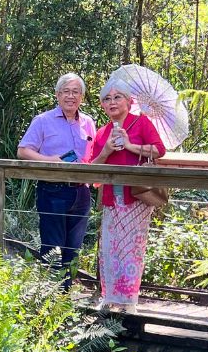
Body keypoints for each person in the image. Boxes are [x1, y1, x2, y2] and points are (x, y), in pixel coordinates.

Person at [90, 78, 166, 308]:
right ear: (102, 105)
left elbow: (159, 150)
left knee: (130, 249)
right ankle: (110, 297)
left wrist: (130, 145)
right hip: (111, 198)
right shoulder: (102, 132)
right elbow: (92, 170)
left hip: (136, 198)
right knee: (109, 248)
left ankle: (129, 301)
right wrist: (106, 150)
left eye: (117, 97)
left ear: (129, 101)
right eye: (107, 99)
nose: (112, 102)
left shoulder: (141, 123)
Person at [17, 73, 96, 287]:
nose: (71, 96)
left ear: (82, 96)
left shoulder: (88, 123)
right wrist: (48, 160)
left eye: (75, 92)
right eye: (66, 92)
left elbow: (94, 154)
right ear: (57, 95)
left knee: (73, 248)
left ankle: (65, 297)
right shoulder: (43, 121)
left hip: (81, 192)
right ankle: (48, 297)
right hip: (52, 190)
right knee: (53, 247)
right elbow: (23, 151)